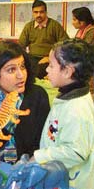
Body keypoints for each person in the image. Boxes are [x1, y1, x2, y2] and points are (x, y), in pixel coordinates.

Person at [33, 39, 94, 189]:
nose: (46, 70)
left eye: (51, 66)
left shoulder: (77, 109)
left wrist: (39, 157)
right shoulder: (68, 97)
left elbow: (76, 152)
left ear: (67, 71)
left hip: (72, 182)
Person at [19, 0, 69, 79]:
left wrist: (50, 58)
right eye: (36, 12)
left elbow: (65, 45)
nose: (38, 15)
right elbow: (21, 45)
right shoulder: (28, 27)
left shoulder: (54, 26)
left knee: (37, 72)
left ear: (46, 12)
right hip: (32, 58)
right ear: (32, 13)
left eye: (41, 12)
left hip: (48, 59)